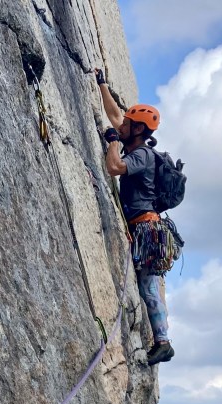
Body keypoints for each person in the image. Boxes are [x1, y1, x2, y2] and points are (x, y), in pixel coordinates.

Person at [95, 69, 175, 366]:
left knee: (149, 286)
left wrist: (112, 143)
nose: (122, 125)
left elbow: (115, 167)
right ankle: (163, 340)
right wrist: (102, 84)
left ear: (138, 130)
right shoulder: (135, 142)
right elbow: (116, 117)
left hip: (146, 229)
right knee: (147, 285)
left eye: (129, 124)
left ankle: (163, 342)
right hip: (143, 226)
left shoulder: (142, 155)